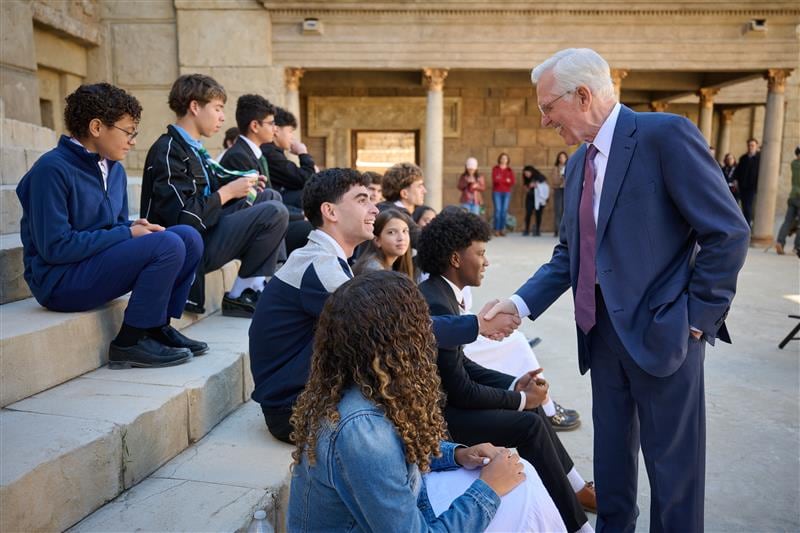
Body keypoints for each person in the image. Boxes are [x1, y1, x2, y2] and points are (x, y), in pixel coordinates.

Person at [485, 48, 750, 532]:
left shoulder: (664, 136)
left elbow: (727, 232)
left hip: (667, 336)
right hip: (602, 338)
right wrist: (519, 303)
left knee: (673, 477)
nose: (544, 121)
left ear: (582, 96)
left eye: (547, 108)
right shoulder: (577, 162)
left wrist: (695, 320)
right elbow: (571, 254)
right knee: (611, 465)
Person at [248, 168, 521, 443]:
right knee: (408, 374)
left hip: (303, 397)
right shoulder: (320, 267)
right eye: (362, 200)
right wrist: (480, 324)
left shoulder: (324, 259)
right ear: (330, 212)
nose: (374, 209)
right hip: (292, 411)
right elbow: (393, 330)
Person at [288, 270, 566, 532]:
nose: (429, 335)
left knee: (522, 477)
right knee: (517, 492)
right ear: (401, 341)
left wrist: (456, 454)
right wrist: (489, 489)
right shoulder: (362, 430)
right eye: (420, 325)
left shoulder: (366, 386)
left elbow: (395, 457)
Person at [417, 210, 596, 533]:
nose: (486, 262)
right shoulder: (437, 302)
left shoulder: (442, 293)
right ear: (456, 259)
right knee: (527, 424)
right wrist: (519, 399)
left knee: (533, 410)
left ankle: (576, 488)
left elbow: (464, 366)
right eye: (481, 253)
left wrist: (517, 385)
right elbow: (460, 390)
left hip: (451, 404)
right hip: (441, 419)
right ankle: (578, 526)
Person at [16, 83, 206, 368]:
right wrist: (126, 232)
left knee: (187, 237)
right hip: (59, 281)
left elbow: (109, 226)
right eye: (128, 132)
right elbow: (55, 247)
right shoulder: (51, 170)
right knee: (166, 244)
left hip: (92, 265)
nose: (132, 141)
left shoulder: (112, 168)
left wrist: (131, 226)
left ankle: (155, 327)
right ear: (96, 127)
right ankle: (130, 342)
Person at [141, 74, 289, 318]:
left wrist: (240, 186)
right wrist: (228, 192)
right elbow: (183, 218)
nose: (222, 117)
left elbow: (206, 192)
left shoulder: (194, 149)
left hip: (207, 231)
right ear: (195, 107)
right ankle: (240, 294)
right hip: (187, 246)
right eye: (218, 108)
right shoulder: (168, 150)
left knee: (268, 196)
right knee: (274, 211)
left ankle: (253, 285)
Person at [219, 94, 312, 255]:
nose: (274, 129)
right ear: (255, 126)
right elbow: (252, 205)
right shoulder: (239, 156)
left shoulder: (253, 154)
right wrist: (299, 216)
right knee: (312, 230)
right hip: (247, 228)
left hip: (264, 219)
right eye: (271, 124)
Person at [261, 107, 316, 209]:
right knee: (312, 194)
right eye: (290, 131)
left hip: (276, 203)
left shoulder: (273, 151)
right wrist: (303, 153)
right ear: (276, 130)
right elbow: (306, 179)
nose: (292, 137)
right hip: (273, 207)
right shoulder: (271, 153)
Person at [352, 209, 414, 277]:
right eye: (391, 232)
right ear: (377, 241)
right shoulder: (373, 270)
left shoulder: (396, 265)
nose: (401, 238)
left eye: (404, 231)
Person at [775, 146, 800, 256]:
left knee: (787, 221)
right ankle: (797, 247)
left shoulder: (794, 164)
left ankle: (780, 241)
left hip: (792, 196)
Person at [733, 138, 761, 226]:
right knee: (744, 208)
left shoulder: (760, 159)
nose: (750, 147)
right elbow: (737, 171)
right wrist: (735, 181)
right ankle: (746, 225)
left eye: (752, 145)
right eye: (749, 145)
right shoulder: (743, 158)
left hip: (753, 188)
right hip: (742, 187)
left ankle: (748, 226)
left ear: (756, 146)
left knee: (749, 208)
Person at [491, 153, 515, 236]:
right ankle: (496, 229)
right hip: (497, 192)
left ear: (507, 160)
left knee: (504, 211)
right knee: (498, 210)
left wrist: (501, 179)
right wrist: (506, 180)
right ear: (499, 159)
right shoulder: (495, 168)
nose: (504, 160)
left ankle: (502, 229)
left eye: (505, 158)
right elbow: (495, 180)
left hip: (506, 192)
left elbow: (512, 182)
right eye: (502, 158)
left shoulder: (509, 170)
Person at [522, 165, 546, 236]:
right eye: (525, 174)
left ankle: (538, 230)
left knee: (538, 214)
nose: (526, 175)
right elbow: (525, 186)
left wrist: (536, 184)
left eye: (527, 173)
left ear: (531, 172)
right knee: (528, 213)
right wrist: (527, 187)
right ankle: (527, 229)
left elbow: (544, 182)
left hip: (539, 198)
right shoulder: (526, 178)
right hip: (530, 197)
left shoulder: (539, 176)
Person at [552, 151, 569, 236]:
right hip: (558, 190)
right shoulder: (555, 168)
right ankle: (557, 229)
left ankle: (565, 231)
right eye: (560, 157)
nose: (562, 159)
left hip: (566, 190)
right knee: (558, 210)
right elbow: (554, 180)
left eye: (563, 157)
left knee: (565, 210)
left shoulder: (569, 167)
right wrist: (561, 178)